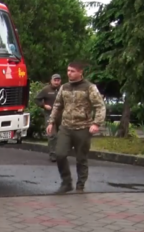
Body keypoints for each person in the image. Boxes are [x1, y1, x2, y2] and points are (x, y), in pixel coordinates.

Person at [47, 60, 105, 194]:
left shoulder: (89, 87)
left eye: (72, 71)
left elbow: (99, 106)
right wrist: (51, 122)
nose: (69, 73)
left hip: (83, 128)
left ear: (80, 72)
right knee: (60, 154)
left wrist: (96, 123)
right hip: (66, 127)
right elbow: (57, 105)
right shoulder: (64, 87)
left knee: (81, 158)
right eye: (68, 71)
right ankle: (66, 182)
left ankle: (80, 185)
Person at [36, 73, 62, 162]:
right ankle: (53, 155)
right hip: (49, 115)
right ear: (51, 81)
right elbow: (37, 99)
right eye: (55, 80)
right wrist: (44, 105)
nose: (56, 82)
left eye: (58, 80)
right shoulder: (46, 90)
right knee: (52, 135)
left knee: (62, 135)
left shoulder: (62, 89)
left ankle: (61, 154)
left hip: (61, 115)